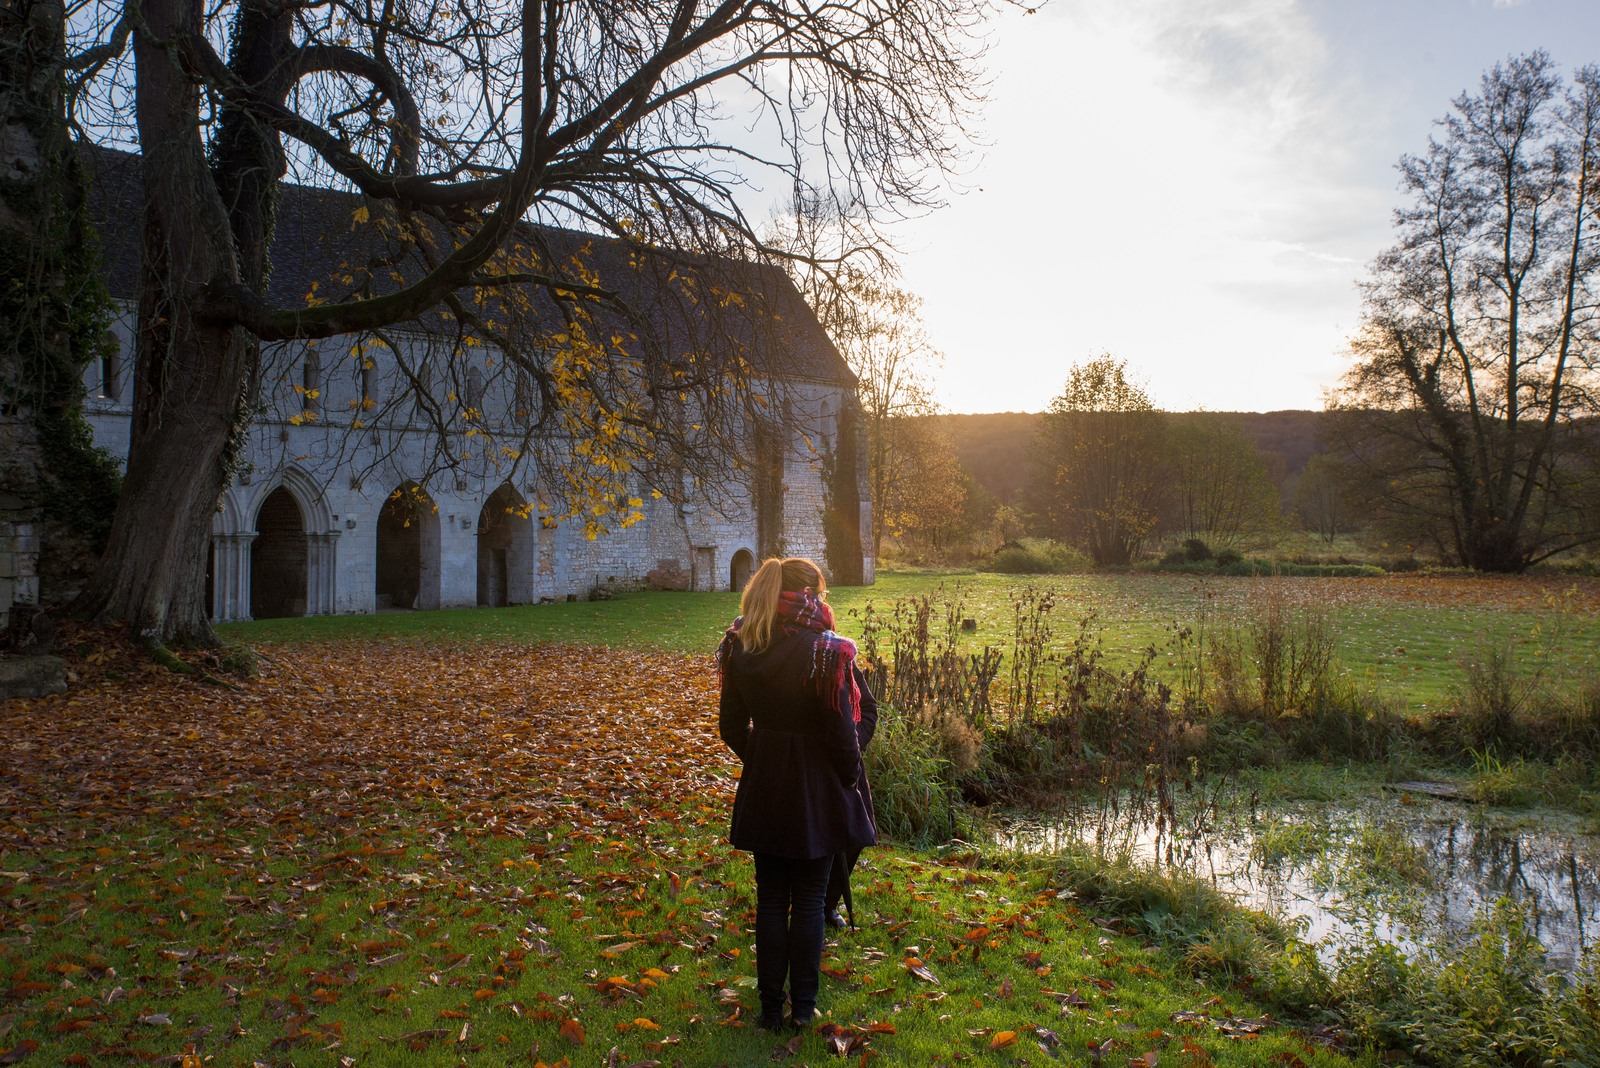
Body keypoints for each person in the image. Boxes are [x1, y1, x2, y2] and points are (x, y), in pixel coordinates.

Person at [717, 557, 876, 1032]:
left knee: (770, 899)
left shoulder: (741, 644)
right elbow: (841, 732)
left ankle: (770, 1011)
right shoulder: (826, 652)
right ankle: (802, 1009)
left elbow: (730, 727)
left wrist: (765, 755)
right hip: (817, 790)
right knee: (808, 901)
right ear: (808, 597)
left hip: (766, 786)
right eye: (822, 594)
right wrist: (846, 776)